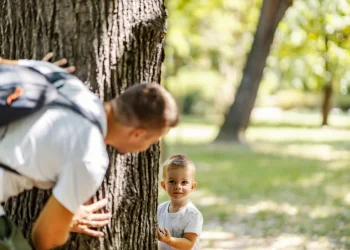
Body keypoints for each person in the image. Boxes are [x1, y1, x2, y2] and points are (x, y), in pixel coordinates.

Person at [0, 54, 179, 250]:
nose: (146, 149)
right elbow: (44, 237)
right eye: (151, 142)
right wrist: (66, 221)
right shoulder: (90, 158)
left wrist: (36, 70)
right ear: (137, 134)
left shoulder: (61, 78)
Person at [157, 154, 203, 250]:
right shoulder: (160, 209)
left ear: (192, 186)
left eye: (184, 182)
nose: (178, 186)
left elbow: (189, 243)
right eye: (172, 181)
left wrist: (169, 240)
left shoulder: (193, 214)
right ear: (164, 185)